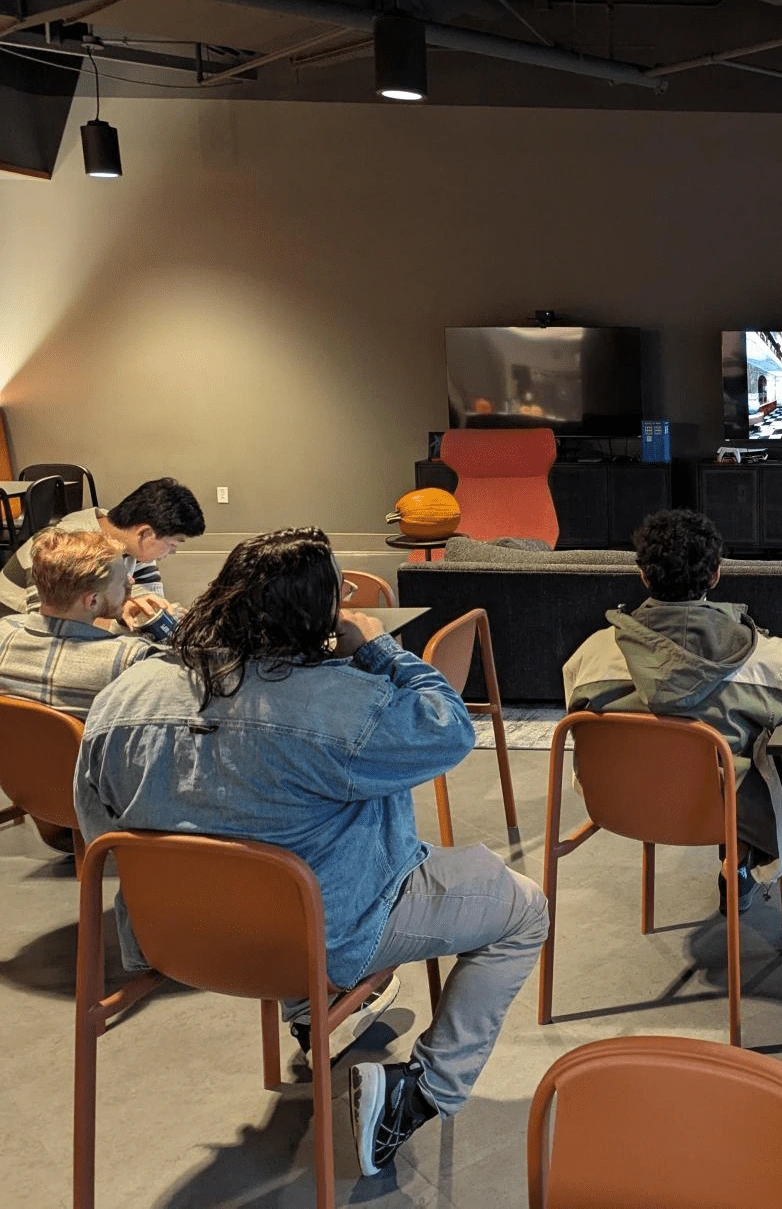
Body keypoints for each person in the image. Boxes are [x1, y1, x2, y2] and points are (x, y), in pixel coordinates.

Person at [73, 528, 549, 1177]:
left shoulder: (123, 695)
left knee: (286, 857)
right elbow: (450, 729)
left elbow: (95, 825)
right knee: (524, 911)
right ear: (322, 611)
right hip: (317, 934)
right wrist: (379, 647)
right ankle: (419, 1095)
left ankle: (312, 1015)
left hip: (175, 940)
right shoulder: (346, 706)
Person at [562, 508, 782, 904]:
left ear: (644, 575)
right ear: (715, 573)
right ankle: (743, 852)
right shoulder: (759, 661)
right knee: (776, 732)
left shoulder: (591, 655)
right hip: (719, 808)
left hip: (619, 801)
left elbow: (575, 717)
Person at [0, 530, 165, 855]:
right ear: (91, 601)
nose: (131, 585)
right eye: (123, 582)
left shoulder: (3, 636)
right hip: (102, 810)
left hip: (28, 791)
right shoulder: (129, 659)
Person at [0, 476, 206, 616]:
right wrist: (121, 615)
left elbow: (148, 598)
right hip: (13, 629)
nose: (172, 552)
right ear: (145, 533)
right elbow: (50, 624)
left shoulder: (131, 542)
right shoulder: (64, 546)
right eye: (171, 545)